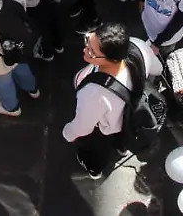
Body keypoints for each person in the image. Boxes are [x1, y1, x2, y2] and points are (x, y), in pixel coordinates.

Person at [63, 22, 161, 178]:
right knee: (122, 137)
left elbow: (83, 127)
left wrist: (68, 133)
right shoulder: (138, 46)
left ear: (110, 58)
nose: (85, 50)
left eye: (91, 51)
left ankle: (94, 168)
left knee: (96, 149)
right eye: (88, 42)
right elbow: (158, 69)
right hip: (129, 116)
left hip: (107, 128)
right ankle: (122, 148)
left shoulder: (94, 93)